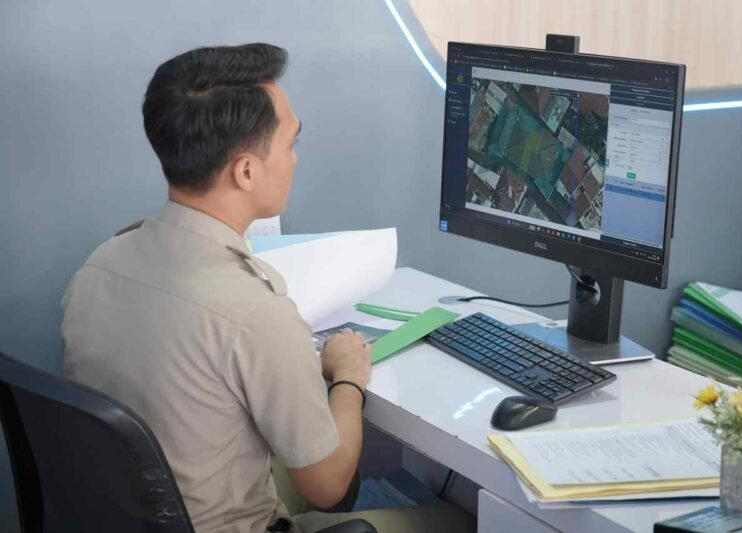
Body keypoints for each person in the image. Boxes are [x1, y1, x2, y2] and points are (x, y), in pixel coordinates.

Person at [61, 43, 474, 533]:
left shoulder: (99, 266)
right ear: (246, 171)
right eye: (290, 143)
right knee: (459, 520)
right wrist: (347, 379)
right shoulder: (254, 313)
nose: (295, 160)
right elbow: (329, 486)